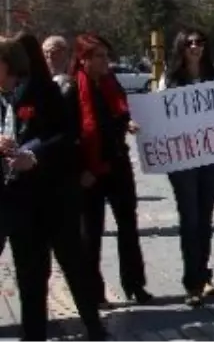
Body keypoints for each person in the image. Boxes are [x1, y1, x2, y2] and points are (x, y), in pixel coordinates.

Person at [1, 36, 108, 341]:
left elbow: (65, 136)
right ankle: (33, 335)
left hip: (54, 197)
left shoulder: (44, 91)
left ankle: (93, 325)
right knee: (29, 274)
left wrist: (33, 154)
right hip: (15, 200)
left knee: (73, 263)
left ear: (9, 65)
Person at [65, 34, 152, 306]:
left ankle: (135, 284)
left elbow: (121, 113)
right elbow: (68, 136)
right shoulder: (71, 90)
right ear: (84, 59)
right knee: (91, 234)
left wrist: (128, 124)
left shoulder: (110, 82)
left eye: (106, 55)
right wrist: (82, 170)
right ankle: (93, 291)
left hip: (117, 163)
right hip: (90, 171)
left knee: (128, 227)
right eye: (100, 56)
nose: (106, 61)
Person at [162, 28, 214, 306]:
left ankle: (203, 274)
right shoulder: (170, 79)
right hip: (182, 158)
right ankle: (192, 283)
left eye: (200, 42)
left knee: (205, 218)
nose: (195, 47)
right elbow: (159, 113)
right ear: (181, 47)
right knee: (190, 219)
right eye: (189, 43)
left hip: (211, 156)